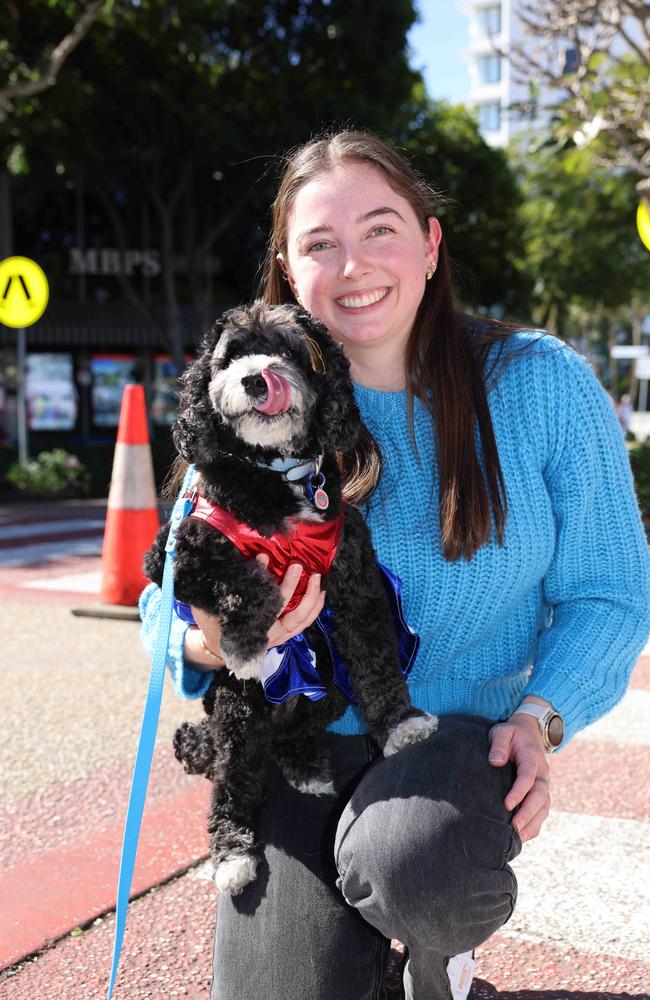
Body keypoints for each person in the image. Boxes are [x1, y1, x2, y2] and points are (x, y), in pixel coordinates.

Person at [139, 130, 650, 1000]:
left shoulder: (540, 383)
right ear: (289, 270)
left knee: (415, 864)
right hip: (299, 741)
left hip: (449, 741)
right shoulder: (245, 402)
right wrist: (206, 636)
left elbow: (609, 590)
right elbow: (167, 595)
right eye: (320, 244)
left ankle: (438, 953)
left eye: (380, 229)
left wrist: (539, 717)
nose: (355, 265)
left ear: (429, 242)